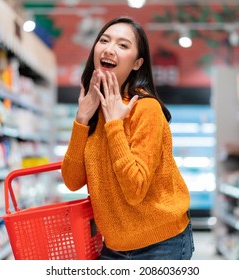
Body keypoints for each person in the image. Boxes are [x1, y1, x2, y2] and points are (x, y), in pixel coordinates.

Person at [61, 16, 194, 260]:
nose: (110, 49)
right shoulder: (94, 109)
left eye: (123, 45)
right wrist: (81, 120)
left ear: (137, 63)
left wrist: (114, 124)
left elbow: (135, 189)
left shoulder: (146, 109)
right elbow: (71, 180)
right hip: (113, 247)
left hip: (162, 245)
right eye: (104, 40)